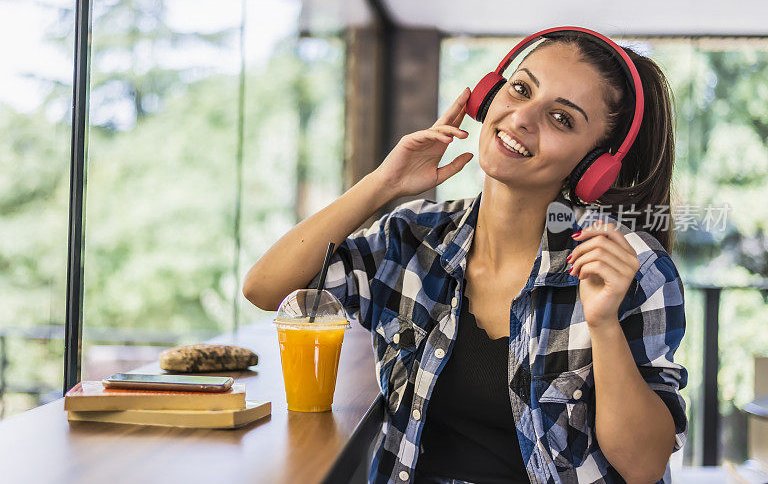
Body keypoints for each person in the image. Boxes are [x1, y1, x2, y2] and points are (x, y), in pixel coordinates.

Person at [243, 29, 688, 484]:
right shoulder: (413, 239)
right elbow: (265, 288)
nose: (521, 118)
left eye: (560, 118)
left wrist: (604, 325)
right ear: (487, 95)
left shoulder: (628, 266)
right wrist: (382, 184)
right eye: (520, 89)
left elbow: (643, 465)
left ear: (596, 165)